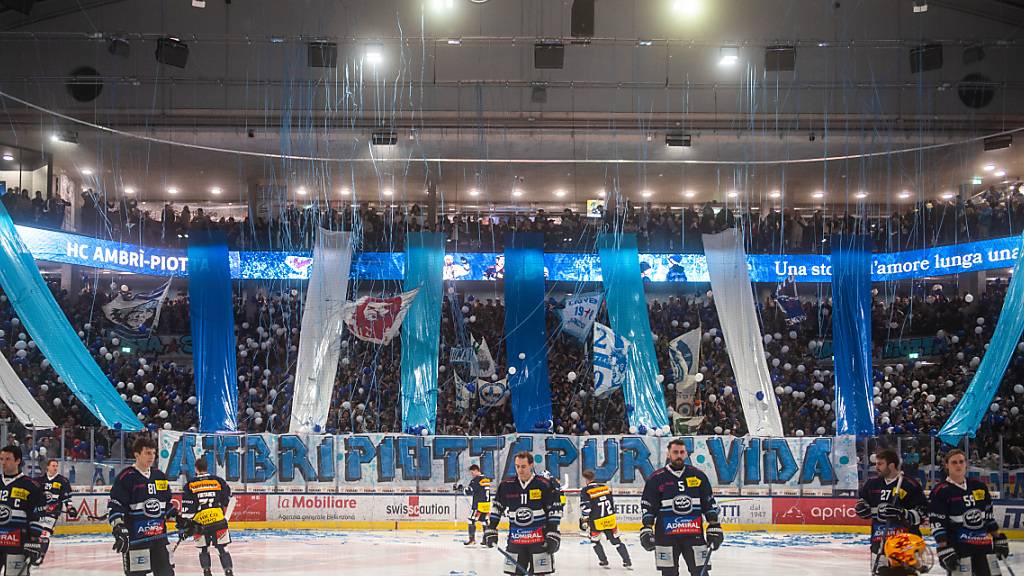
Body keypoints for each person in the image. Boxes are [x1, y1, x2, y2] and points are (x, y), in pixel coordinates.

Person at [640, 438, 723, 576]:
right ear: (668, 454)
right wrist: (647, 528)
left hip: (693, 534)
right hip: (665, 537)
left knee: (700, 572)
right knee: (669, 573)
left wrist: (714, 525)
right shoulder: (656, 478)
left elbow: (708, 502)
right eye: (675, 452)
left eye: (681, 452)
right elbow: (648, 505)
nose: (678, 455)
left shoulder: (698, 476)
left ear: (685, 454)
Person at [928, 449, 1010, 576]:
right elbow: (937, 523)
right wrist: (943, 548)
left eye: (961, 461)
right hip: (959, 549)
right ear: (946, 465)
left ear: (966, 464)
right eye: (954, 462)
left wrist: (997, 537)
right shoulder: (941, 491)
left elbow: (988, 517)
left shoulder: (979, 487)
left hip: (984, 547)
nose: (958, 465)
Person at [483, 452, 563, 575]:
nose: (520, 470)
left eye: (523, 466)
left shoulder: (544, 484)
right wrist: (491, 528)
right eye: (517, 466)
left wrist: (553, 532)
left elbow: (554, 510)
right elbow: (497, 507)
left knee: (540, 574)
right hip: (516, 541)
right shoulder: (506, 485)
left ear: (531, 465)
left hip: (539, 542)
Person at [109, 436, 176, 576]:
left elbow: (166, 503)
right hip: (136, 541)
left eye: (153, 453)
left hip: (159, 540)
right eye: (147, 453)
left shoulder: (160, 476)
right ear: (137, 454)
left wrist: (179, 518)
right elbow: (116, 504)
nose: (152, 456)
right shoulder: (126, 477)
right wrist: (118, 526)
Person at [854, 449, 928, 575]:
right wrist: (861, 509)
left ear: (891, 465)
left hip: (905, 544)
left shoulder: (910, 484)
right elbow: (862, 503)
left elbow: (923, 512)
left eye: (880, 464)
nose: (876, 467)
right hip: (879, 542)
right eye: (876, 463)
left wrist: (902, 513)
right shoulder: (872, 484)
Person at [179, 458, 234, 576]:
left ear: (196, 468)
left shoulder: (190, 485)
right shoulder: (218, 481)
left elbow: (188, 510)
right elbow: (228, 499)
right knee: (223, 549)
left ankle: (207, 572)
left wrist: (185, 528)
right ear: (206, 467)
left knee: (203, 549)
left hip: (200, 524)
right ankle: (228, 572)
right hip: (219, 521)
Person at [0, 445, 50, 574]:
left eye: (8, 459)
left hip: (18, 544)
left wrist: (33, 540)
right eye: (1, 459)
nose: (3, 462)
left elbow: (38, 514)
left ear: (18, 461)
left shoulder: (31, 486)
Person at [579, 469, 631, 568]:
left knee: (595, 541)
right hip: (609, 519)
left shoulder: (586, 490)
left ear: (586, 479)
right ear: (594, 477)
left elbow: (586, 507)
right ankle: (627, 561)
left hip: (596, 521)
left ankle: (604, 561)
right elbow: (611, 503)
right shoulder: (605, 487)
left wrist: (585, 520)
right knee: (617, 541)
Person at [40, 459, 79, 544]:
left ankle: (41, 554)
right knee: (35, 533)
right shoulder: (40, 480)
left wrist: (70, 508)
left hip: (53, 510)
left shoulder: (63, 481)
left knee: (45, 533)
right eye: (53, 466)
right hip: (40, 511)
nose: (55, 468)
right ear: (48, 467)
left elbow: (66, 497)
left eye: (56, 466)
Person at [455, 464, 492, 546]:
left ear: (476, 470)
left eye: (472, 473)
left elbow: (469, 491)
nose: (472, 475)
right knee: (484, 521)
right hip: (486, 504)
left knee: (471, 520)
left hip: (478, 505)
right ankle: (486, 540)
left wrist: (460, 489)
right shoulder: (486, 479)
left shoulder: (476, 480)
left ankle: (472, 540)